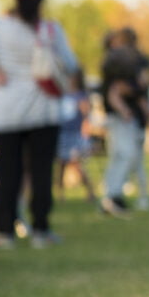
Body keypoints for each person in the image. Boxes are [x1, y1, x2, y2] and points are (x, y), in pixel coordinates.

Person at [0, 0, 78, 249]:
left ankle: (5, 232)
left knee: (9, 173)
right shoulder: (50, 29)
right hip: (43, 108)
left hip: (7, 110)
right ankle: (40, 229)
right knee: (40, 172)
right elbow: (71, 64)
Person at [99, 27, 149, 215]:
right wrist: (124, 108)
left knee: (126, 157)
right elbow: (116, 90)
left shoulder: (128, 60)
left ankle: (115, 195)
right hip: (123, 117)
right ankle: (113, 196)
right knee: (125, 155)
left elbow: (139, 88)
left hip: (127, 116)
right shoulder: (119, 61)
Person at [55, 69, 98, 204]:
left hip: (74, 134)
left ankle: (90, 190)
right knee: (61, 164)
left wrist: (86, 128)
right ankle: (59, 193)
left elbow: (86, 114)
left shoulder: (80, 95)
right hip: (62, 133)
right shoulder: (62, 93)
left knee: (76, 163)